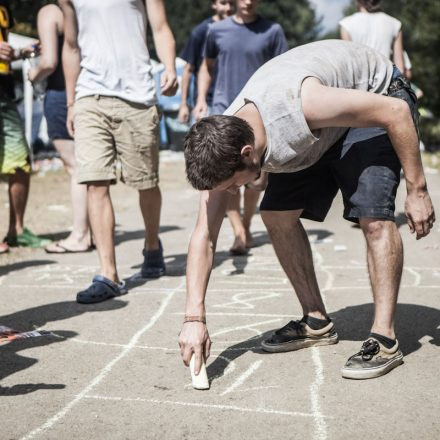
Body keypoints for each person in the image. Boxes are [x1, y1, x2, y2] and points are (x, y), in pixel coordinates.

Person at [178, 40, 435, 380]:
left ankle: (384, 338)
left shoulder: (298, 108)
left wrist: (417, 190)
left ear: (247, 153)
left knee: (372, 216)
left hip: (378, 96)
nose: (232, 193)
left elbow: (395, 113)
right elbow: (204, 236)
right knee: (275, 214)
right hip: (322, 125)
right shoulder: (222, 141)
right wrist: (194, 319)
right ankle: (316, 321)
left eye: (232, 185)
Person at [59, 0, 178, 303]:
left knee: (145, 182)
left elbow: (161, 28)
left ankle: (152, 245)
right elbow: (71, 46)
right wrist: (71, 103)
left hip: (137, 96)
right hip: (90, 96)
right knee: (94, 182)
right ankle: (108, 274)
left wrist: (169, 67)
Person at [193, 0, 288, 255]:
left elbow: (282, 71)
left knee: (256, 180)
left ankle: (246, 224)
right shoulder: (217, 30)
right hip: (225, 109)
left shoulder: (272, 31)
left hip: (258, 110)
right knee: (229, 177)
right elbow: (207, 67)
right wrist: (201, 100)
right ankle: (239, 232)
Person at [28, 3, 92, 254]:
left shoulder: (49, 12)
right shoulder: (84, 9)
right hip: (86, 91)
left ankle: (79, 235)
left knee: (75, 167)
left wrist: (33, 74)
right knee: (88, 166)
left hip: (60, 94)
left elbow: (50, 62)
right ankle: (91, 231)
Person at [0, 0, 50, 254]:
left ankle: (16, 230)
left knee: (20, 160)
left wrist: (21, 53)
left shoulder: (5, 8)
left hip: (5, 92)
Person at [178, 0, 234, 124]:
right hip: (207, 102)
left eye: (232, 3)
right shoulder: (201, 31)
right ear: (214, 4)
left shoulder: (240, 29)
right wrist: (183, 104)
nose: (228, 8)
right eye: (223, 3)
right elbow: (188, 70)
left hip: (234, 98)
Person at [339, 0, 405, 74]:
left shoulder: (346, 24)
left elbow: (350, 64)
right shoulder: (395, 23)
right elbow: (400, 69)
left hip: (360, 82)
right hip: (386, 81)